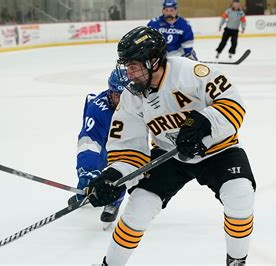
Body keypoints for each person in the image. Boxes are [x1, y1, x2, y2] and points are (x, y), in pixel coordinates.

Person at [86, 26, 256, 266]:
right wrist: (113, 177)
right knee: (139, 207)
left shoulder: (191, 72)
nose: (129, 73)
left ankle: (237, 262)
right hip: (169, 155)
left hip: (219, 150)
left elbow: (233, 102)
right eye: (126, 66)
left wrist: (204, 122)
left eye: (133, 66)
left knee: (240, 194)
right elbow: (129, 149)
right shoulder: (131, 97)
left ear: (153, 61)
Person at [68, 69, 130, 229]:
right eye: (117, 95)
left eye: (125, 94)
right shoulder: (98, 109)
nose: (121, 100)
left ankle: (113, 200)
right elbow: (89, 140)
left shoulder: (140, 103)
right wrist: (87, 170)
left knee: (120, 165)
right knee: (94, 165)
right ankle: (85, 188)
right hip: (103, 137)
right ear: (110, 92)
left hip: (126, 141)